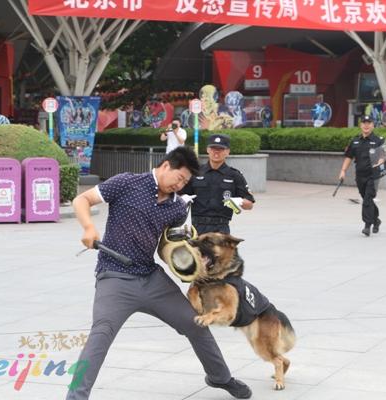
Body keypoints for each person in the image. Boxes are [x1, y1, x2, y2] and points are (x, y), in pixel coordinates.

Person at [67, 147, 252, 400]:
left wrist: (189, 262)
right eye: (179, 178)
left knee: (194, 323)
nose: (180, 185)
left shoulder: (177, 207)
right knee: (101, 333)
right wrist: (88, 227)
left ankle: (221, 378)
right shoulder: (126, 183)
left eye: (186, 182)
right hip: (115, 276)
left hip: (151, 278)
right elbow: (82, 200)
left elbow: (168, 245)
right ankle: (75, 396)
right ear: (166, 166)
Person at [181, 134, 255, 235]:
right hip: (197, 228)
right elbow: (179, 195)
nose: (216, 152)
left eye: (221, 149)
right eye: (213, 148)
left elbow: (249, 204)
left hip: (221, 229)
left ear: (227, 152)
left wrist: (240, 201)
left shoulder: (234, 175)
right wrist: (182, 199)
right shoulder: (195, 172)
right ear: (207, 150)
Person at [339, 115, 385, 237]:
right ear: (360, 125)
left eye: (369, 123)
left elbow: (383, 155)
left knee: (367, 199)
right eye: (364, 123)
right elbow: (349, 156)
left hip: (373, 176)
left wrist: (379, 162)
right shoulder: (355, 141)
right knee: (366, 199)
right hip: (360, 175)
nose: (366, 125)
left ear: (373, 125)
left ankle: (367, 225)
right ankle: (376, 220)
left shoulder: (379, 140)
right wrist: (343, 170)